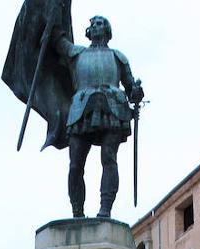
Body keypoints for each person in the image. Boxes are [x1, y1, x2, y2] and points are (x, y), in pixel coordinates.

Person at [54, 16, 143, 219]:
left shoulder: (118, 57)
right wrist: (51, 14)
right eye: (93, 24)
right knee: (75, 163)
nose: (95, 27)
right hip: (82, 108)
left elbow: (130, 87)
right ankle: (77, 210)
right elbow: (56, 40)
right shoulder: (76, 53)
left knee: (109, 158)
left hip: (112, 107)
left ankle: (105, 209)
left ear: (108, 30)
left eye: (100, 24)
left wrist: (137, 91)